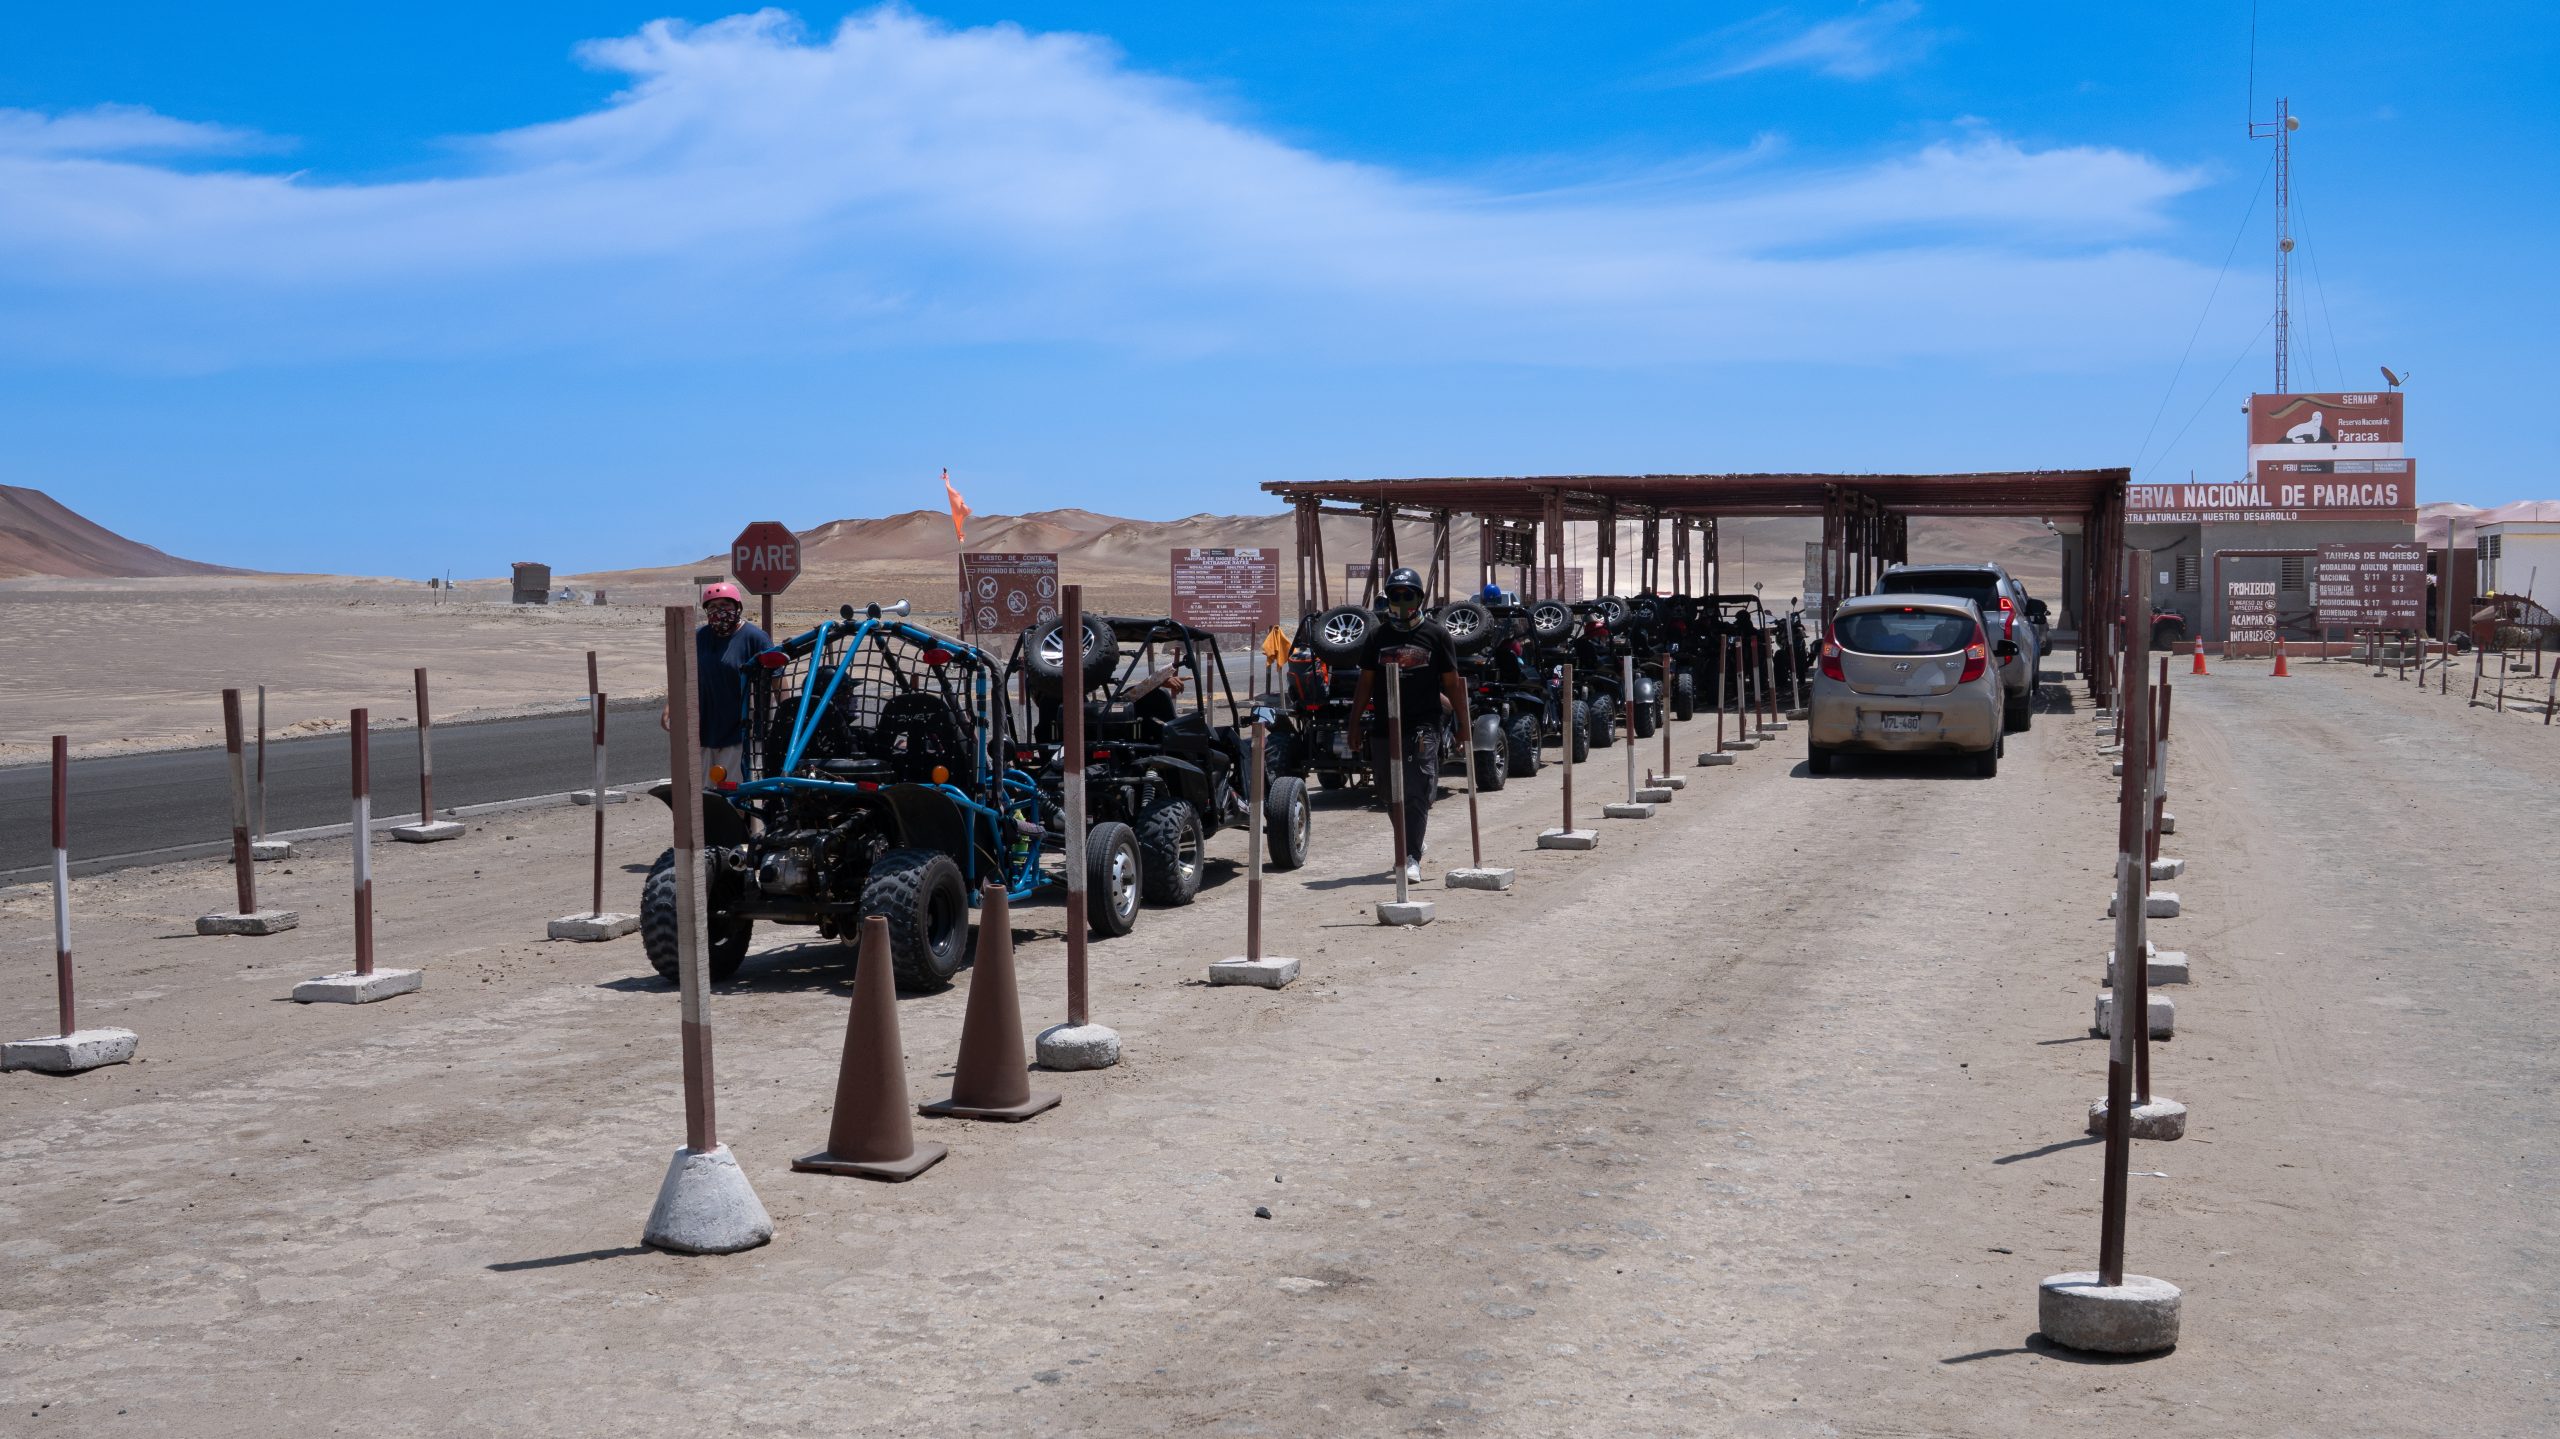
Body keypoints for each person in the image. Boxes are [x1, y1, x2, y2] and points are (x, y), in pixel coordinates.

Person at [1348, 568, 1466, 883]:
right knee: (1389, 793)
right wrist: (1354, 723)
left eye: (1407, 595)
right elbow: (1365, 683)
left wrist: (1463, 726)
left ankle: (1410, 856)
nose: (1401, 601)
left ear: (1418, 598)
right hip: (1385, 724)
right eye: (1395, 595)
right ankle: (1414, 837)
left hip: (1424, 722)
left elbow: (1453, 684)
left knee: (1417, 788)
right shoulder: (1378, 636)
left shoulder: (1437, 635)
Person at [661, 581, 772, 787]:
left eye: (725, 605)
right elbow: (684, 674)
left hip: (740, 734)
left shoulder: (755, 638)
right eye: (712, 607)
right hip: (703, 731)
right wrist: (670, 705)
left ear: (737, 607)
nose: (719, 612)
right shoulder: (698, 638)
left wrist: (785, 717)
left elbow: (776, 679)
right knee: (704, 796)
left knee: (734, 797)